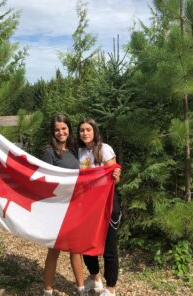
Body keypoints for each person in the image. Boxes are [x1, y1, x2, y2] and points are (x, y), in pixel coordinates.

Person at [41, 114, 85, 296]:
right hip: (57, 208)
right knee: (54, 251)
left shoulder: (76, 150)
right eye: (57, 129)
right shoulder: (49, 152)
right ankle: (48, 290)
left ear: (69, 129)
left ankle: (81, 288)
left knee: (76, 249)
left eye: (64, 128)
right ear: (53, 132)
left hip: (75, 206)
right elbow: (44, 181)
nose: (61, 132)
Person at [77, 118, 121, 296]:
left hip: (107, 204)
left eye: (88, 129)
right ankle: (94, 278)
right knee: (87, 245)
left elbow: (115, 178)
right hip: (87, 206)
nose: (85, 133)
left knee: (109, 247)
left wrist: (116, 175)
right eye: (81, 130)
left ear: (94, 131)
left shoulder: (105, 149)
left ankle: (110, 288)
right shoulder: (78, 152)